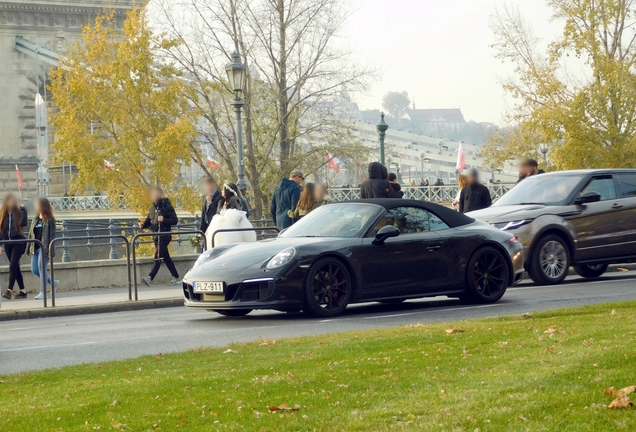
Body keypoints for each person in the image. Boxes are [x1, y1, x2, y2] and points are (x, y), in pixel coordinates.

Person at [139, 188, 180, 287]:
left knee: (157, 256)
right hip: (156, 236)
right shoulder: (152, 208)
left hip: (164, 235)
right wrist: (143, 225)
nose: (154, 196)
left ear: (161, 195)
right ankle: (176, 277)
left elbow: (175, 220)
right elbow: (149, 221)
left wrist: (164, 219)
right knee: (166, 258)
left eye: (155, 194)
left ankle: (150, 277)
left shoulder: (167, 207)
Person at [26, 197, 59, 300]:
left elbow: (52, 236)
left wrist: (50, 250)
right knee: (34, 269)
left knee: (42, 269)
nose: (35, 206)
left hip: (44, 248)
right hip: (35, 248)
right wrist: (27, 249)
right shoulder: (35, 219)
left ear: (43, 206)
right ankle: (53, 283)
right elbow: (30, 235)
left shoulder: (50, 220)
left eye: (37, 204)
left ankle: (43, 292)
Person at [206, 182, 256, 248]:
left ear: (227, 191)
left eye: (223, 190)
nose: (222, 191)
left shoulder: (233, 200)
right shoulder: (221, 202)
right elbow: (217, 213)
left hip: (231, 230)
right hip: (220, 229)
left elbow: (237, 213)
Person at [0, 193, 28, 300]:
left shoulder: (18, 212)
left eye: (13, 201)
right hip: (8, 243)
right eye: (9, 201)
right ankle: (23, 291)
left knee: (12, 265)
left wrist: (23, 210)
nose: (11, 203)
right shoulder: (2, 214)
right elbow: (1, 230)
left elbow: (24, 223)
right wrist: (0, 245)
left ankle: (9, 290)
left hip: (18, 241)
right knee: (15, 267)